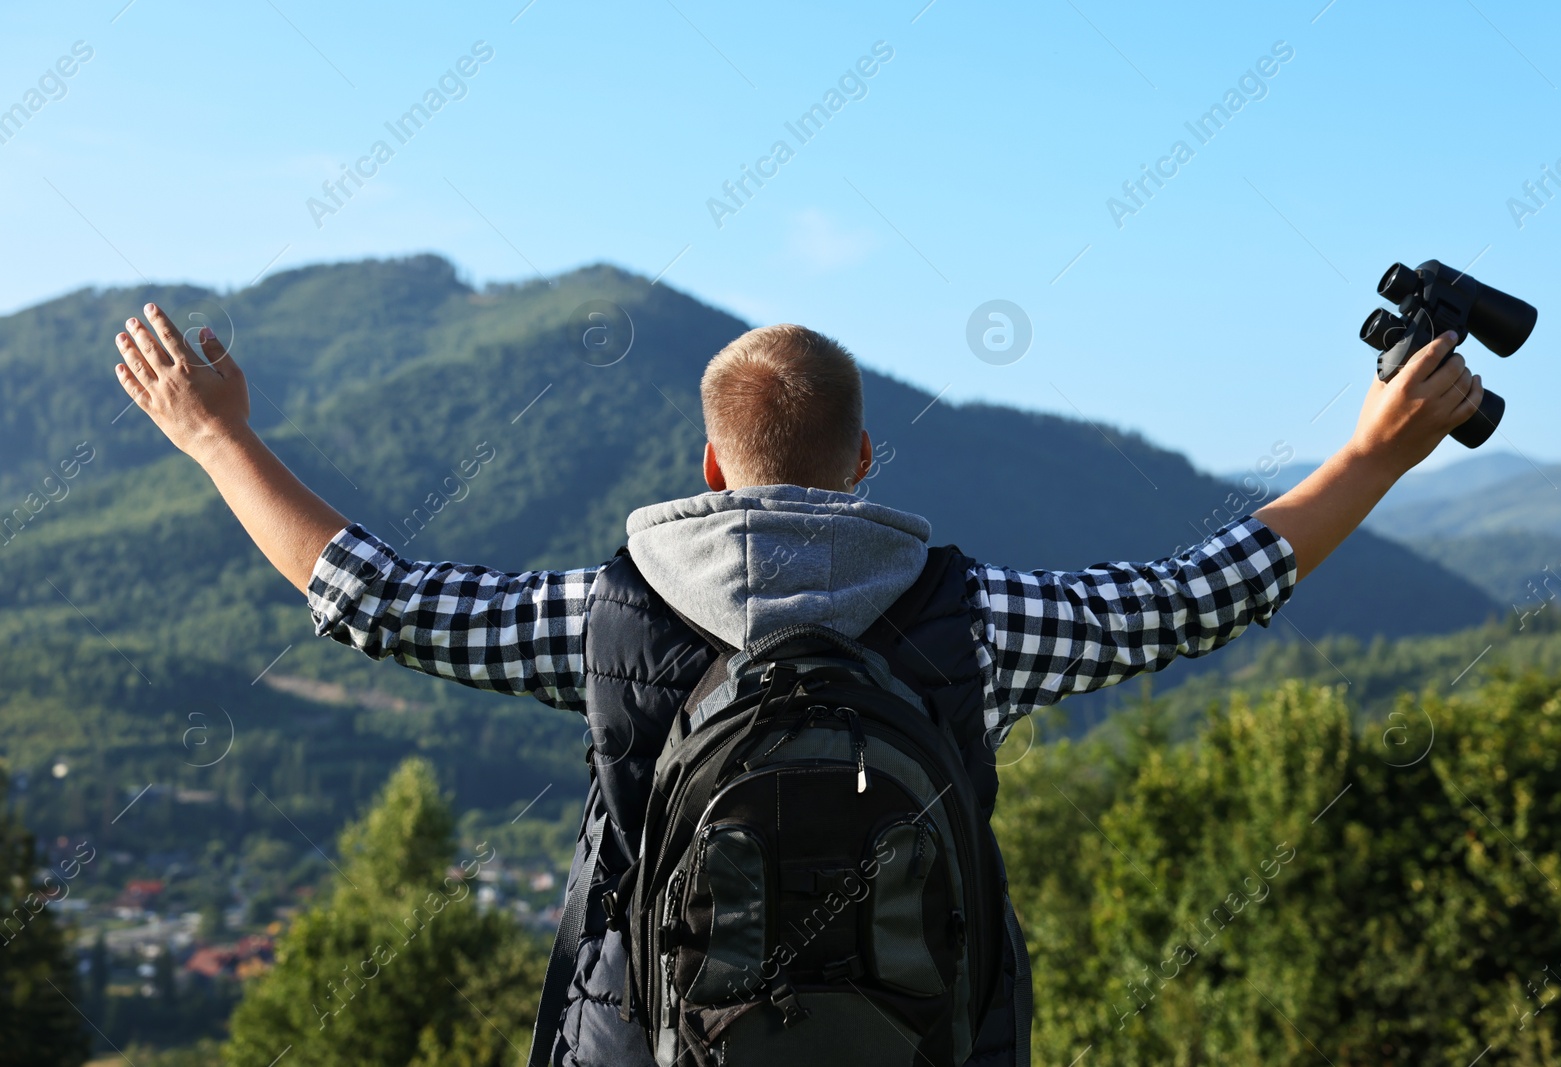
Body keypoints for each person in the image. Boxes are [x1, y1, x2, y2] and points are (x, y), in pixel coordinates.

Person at [112, 305, 1482, 1066]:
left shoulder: (612, 617)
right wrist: (1373, 455)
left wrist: (216, 437)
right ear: (867, 458)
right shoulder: (974, 617)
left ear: (708, 467)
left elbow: (375, 598)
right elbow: (1198, 596)